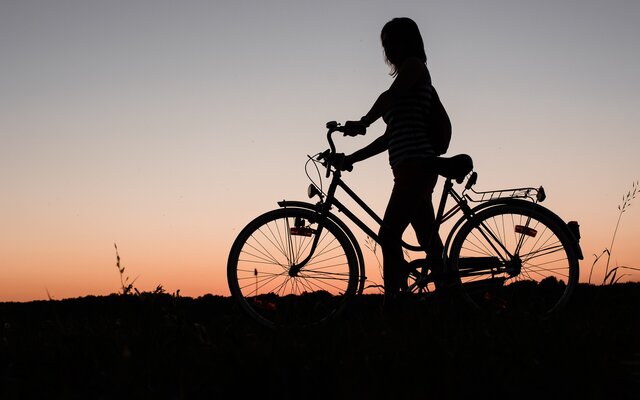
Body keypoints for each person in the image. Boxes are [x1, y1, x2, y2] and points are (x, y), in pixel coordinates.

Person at [341, 17, 448, 304]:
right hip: (409, 168)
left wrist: (363, 121)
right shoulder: (407, 84)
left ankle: (394, 304)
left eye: (393, 41)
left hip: (416, 166)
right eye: (385, 43)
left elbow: (389, 97)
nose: (388, 48)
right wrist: (351, 158)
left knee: (388, 235)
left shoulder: (414, 68)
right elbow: (388, 138)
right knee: (428, 240)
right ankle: (450, 299)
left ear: (408, 41)